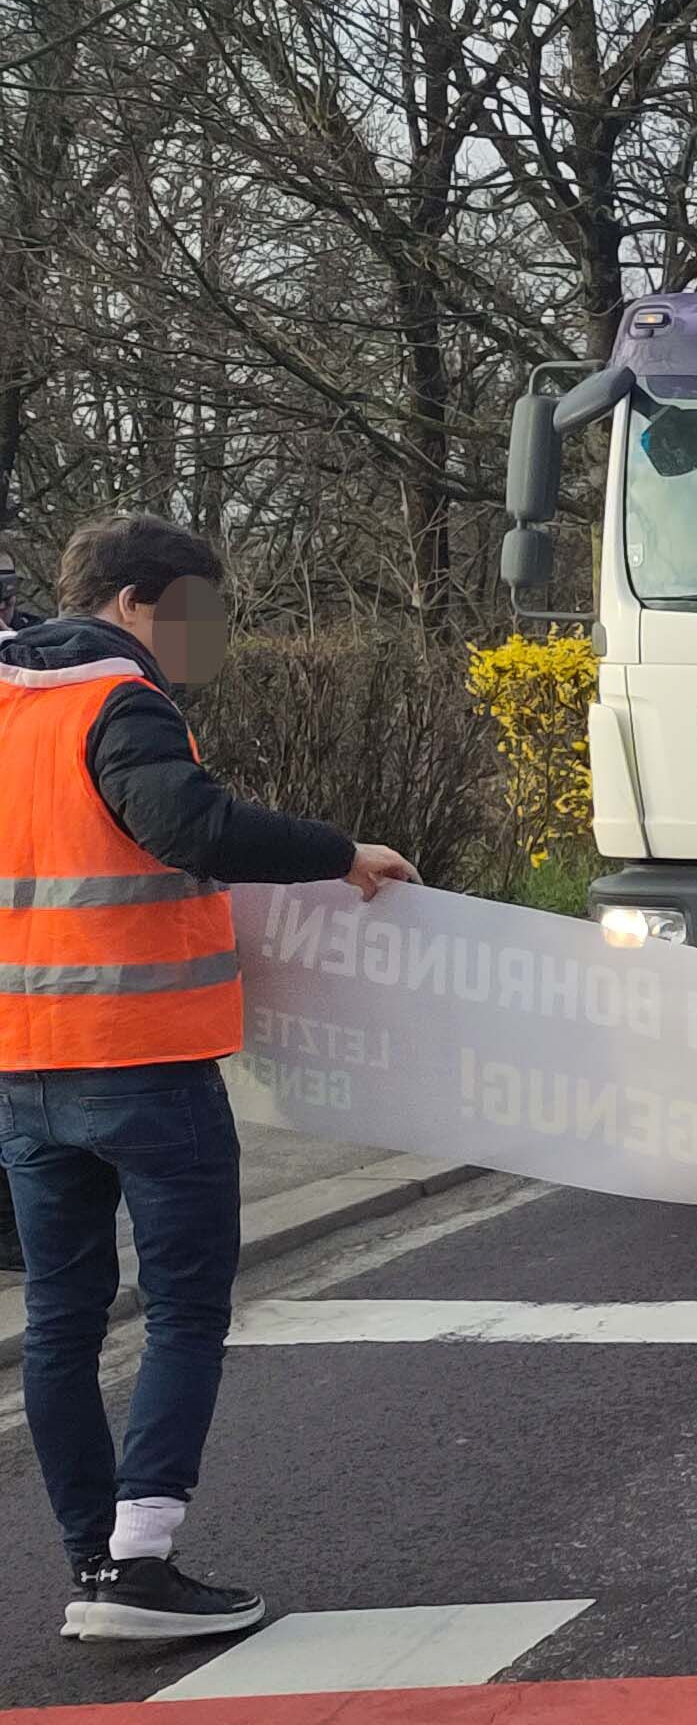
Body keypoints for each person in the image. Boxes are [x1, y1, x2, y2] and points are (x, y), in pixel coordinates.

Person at [10, 515, 413, 1643]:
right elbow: (186, 825)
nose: (200, 639)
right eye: (193, 613)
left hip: (26, 1067)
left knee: (61, 1321)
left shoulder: (7, 710)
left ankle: (94, 1561)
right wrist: (339, 854)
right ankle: (140, 1562)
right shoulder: (121, 704)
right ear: (139, 601)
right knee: (185, 1308)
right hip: (142, 1058)